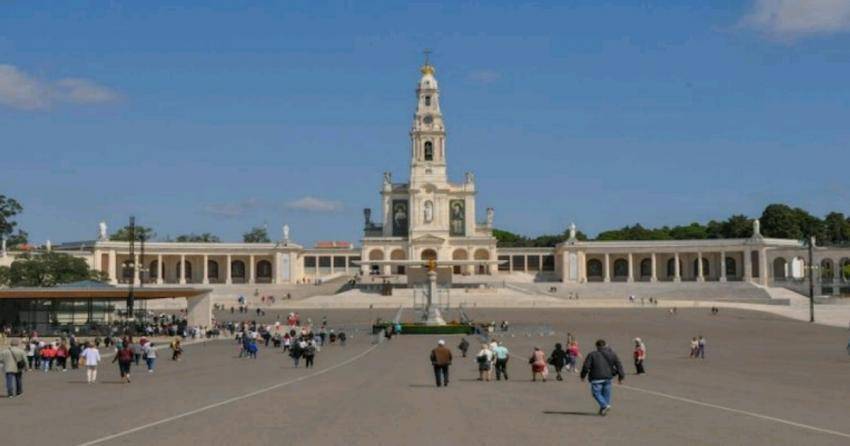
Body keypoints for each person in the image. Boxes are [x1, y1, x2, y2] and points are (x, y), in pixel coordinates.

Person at [580, 339, 626, 416]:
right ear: (605, 345)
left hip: (596, 377)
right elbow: (619, 365)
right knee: (606, 394)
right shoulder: (612, 354)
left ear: (597, 346)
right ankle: (603, 410)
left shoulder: (592, 354)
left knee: (596, 393)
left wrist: (582, 376)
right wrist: (621, 377)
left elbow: (586, 366)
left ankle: (605, 405)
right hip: (608, 377)